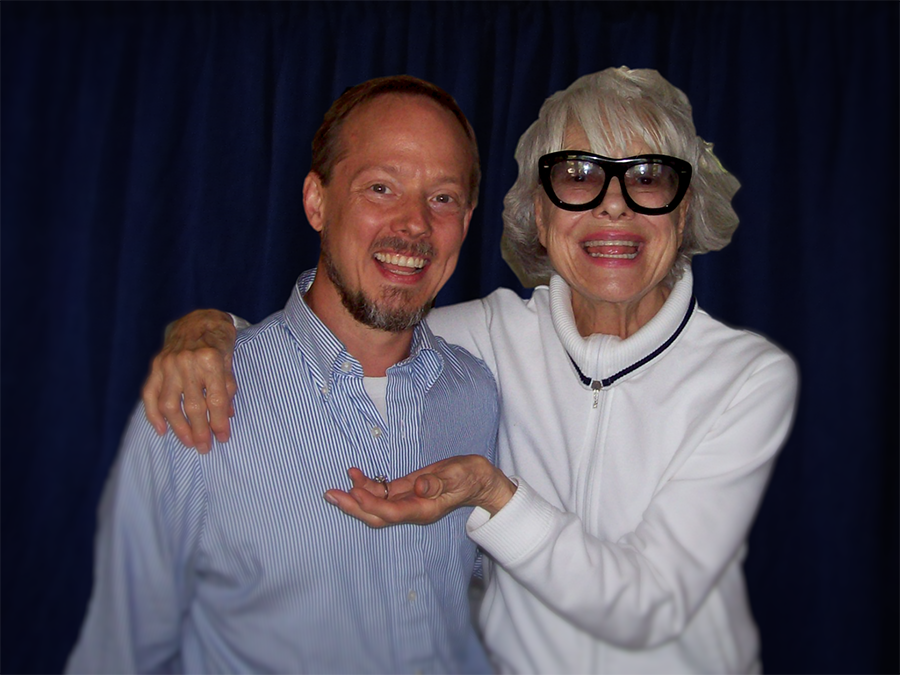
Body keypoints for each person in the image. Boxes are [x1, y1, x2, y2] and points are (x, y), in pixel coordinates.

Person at [144, 67, 799, 674]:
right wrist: (210, 330)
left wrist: (493, 493)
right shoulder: (485, 337)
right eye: (578, 174)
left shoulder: (745, 377)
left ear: (685, 208)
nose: (614, 206)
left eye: (648, 176)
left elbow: (647, 604)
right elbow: (339, 337)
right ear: (538, 213)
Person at [67, 75, 502, 674]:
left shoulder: (477, 394)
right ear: (317, 201)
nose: (415, 224)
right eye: (381, 188)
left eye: (443, 198)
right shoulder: (196, 401)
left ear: (468, 219)